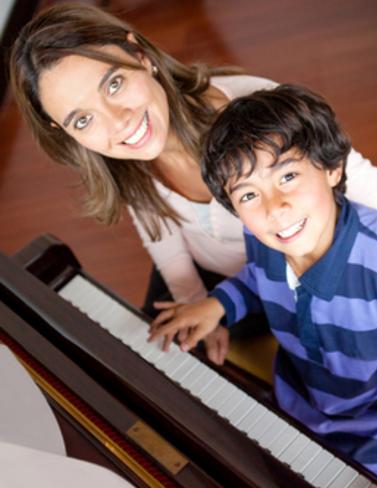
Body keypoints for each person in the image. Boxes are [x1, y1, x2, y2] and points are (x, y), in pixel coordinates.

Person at [9, 3, 377, 366]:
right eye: (84, 120)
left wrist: (218, 308)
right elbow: (159, 230)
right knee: (150, 350)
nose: (118, 122)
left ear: (140, 55)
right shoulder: (122, 160)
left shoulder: (259, 113)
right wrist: (191, 297)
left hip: (283, 272)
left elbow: (359, 181)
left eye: (114, 84)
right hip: (211, 272)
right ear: (65, 131)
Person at [149, 84, 377, 474]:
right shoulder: (261, 236)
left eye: (287, 176)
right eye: (249, 196)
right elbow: (258, 278)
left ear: (332, 167)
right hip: (295, 405)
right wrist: (217, 303)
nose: (275, 209)